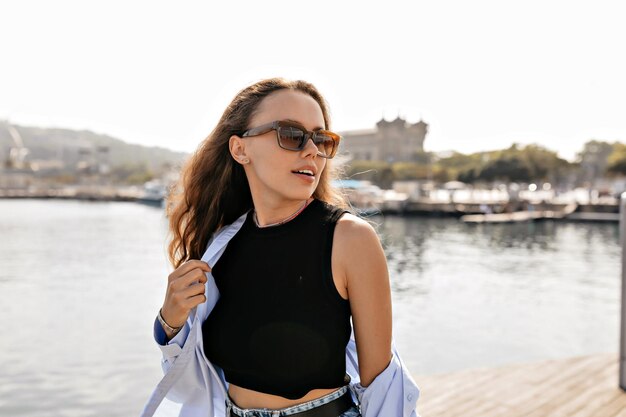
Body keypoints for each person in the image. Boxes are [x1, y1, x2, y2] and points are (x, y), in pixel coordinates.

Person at [141, 78, 420, 417]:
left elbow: (384, 388)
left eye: (321, 139)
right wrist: (169, 322)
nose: (312, 151)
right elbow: (188, 384)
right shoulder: (219, 244)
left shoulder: (349, 239)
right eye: (291, 135)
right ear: (240, 149)